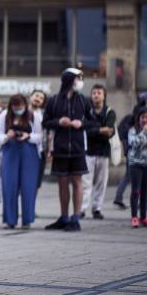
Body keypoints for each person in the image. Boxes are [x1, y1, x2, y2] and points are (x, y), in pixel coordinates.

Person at [42, 68, 96, 232]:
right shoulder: (54, 100)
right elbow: (45, 122)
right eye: (78, 78)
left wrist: (82, 124)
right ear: (69, 80)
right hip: (61, 148)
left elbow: (92, 121)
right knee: (62, 183)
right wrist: (59, 122)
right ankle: (64, 217)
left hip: (78, 148)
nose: (81, 81)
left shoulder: (83, 100)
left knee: (77, 182)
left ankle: (75, 218)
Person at [0, 94, 43, 230]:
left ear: (25, 105)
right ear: (11, 107)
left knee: (28, 186)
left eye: (20, 107)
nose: (18, 109)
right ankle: (10, 219)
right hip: (10, 151)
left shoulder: (33, 116)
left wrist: (28, 136)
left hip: (29, 151)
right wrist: (7, 136)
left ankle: (27, 219)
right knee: (9, 185)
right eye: (15, 107)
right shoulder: (5, 115)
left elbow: (40, 136)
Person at [81, 85, 116, 220]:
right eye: (94, 92)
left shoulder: (109, 112)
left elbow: (110, 132)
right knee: (85, 182)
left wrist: (94, 130)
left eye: (99, 93)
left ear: (104, 95)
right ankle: (82, 209)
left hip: (103, 153)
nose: (96, 95)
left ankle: (97, 209)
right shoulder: (86, 111)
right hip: (88, 151)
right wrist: (101, 130)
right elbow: (85, 130)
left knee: (101, 183)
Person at [29, 90, 48, 191]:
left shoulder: (44, 115)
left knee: (36, 184)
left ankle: (30, 205)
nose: (38, 99)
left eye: (41, 98)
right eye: (36, 96)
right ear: (30, 97)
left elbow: (47, 134)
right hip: (24, 151)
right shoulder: (21, 111)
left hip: (39, 153)